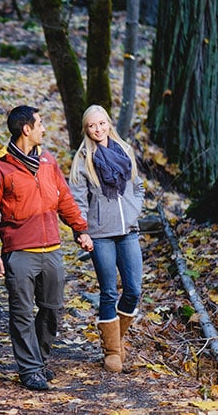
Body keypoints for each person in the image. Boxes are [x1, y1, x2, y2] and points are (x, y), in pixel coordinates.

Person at [0, 105, 93, 391]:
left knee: (52, 309)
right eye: (40, 123)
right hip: (19, 253)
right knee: (21, 313)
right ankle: (29, 370)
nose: (44, 128)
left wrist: (79, 229)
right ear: (26, 129)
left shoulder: (48, 162)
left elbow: (64, 198)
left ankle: (39, 363)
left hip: (52, 249)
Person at [69, 105, 145, 373]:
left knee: (134, 290)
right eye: (92, 125)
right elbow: (77, 199)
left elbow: (137, 185)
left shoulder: (124, 150)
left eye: (102, 123)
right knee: (109, 291)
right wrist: (82, 231)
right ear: (86, 129)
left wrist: (136, 211)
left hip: (128, 232)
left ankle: (117, 339)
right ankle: (112, 351)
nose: (98, 129)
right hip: (100, 234)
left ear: (109, 124)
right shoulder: (83, 159)